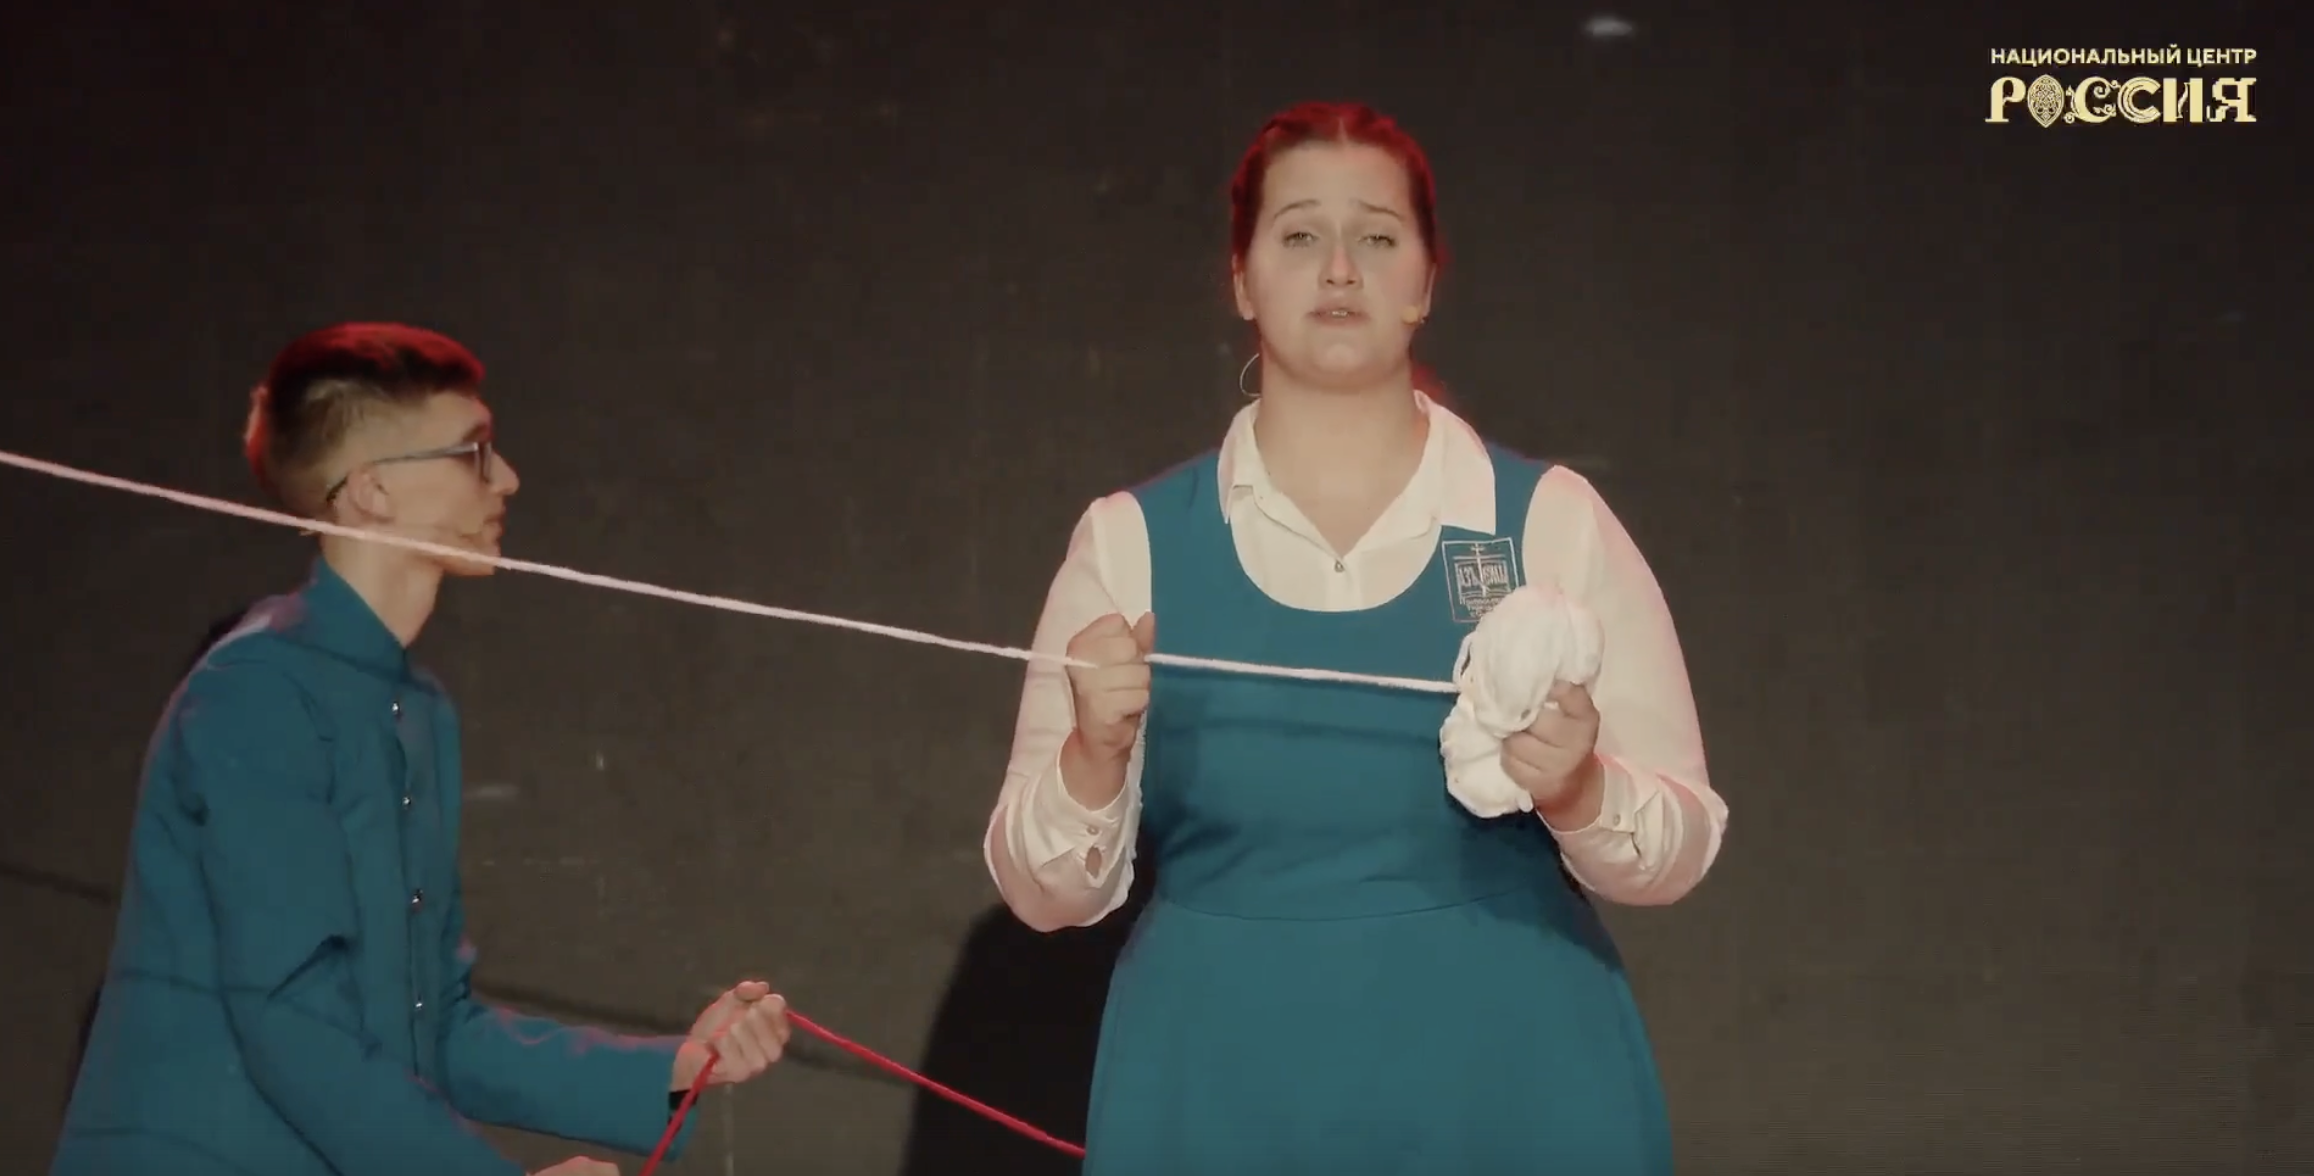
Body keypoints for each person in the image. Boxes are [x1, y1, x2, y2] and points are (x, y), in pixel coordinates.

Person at [984, 102, 1729, 1174]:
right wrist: (1091, 756)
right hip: (1217, 1090)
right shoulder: (1129, 543)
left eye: (1377, 237)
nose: (1339, 268)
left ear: (1425, 281)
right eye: (1299, 235)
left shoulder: (1549, 520)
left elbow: (1679, 848)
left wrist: (1578, 789)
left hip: (1513, 1087)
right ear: (1241, 280)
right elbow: (1042, 892)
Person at [52, 323, 792, 1176]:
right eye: (474, 453)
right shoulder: (254, 691)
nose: (506, 478)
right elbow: (293, 1023)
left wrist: (680, 1069)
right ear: (371, 490)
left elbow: (431, 1027)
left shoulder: (418, 710)